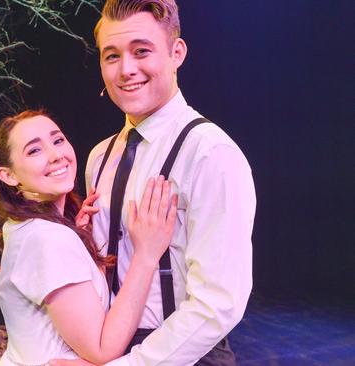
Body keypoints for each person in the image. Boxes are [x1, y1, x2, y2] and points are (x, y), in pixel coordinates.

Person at [52, 1, 256, 365]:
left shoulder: (210, 154)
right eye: (111, 56)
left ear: (177, 52)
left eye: (141, 51)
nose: (126, 69)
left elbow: (219, 303)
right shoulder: (100, 157)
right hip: (109, 347)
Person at [0, 110, 179, 365]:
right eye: (34, 151)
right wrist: (145, 255)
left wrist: (81, 241)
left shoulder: (24, 226)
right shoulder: (47, 238)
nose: (56, 155)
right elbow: (102, 349)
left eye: (57, 141)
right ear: (8, 175)